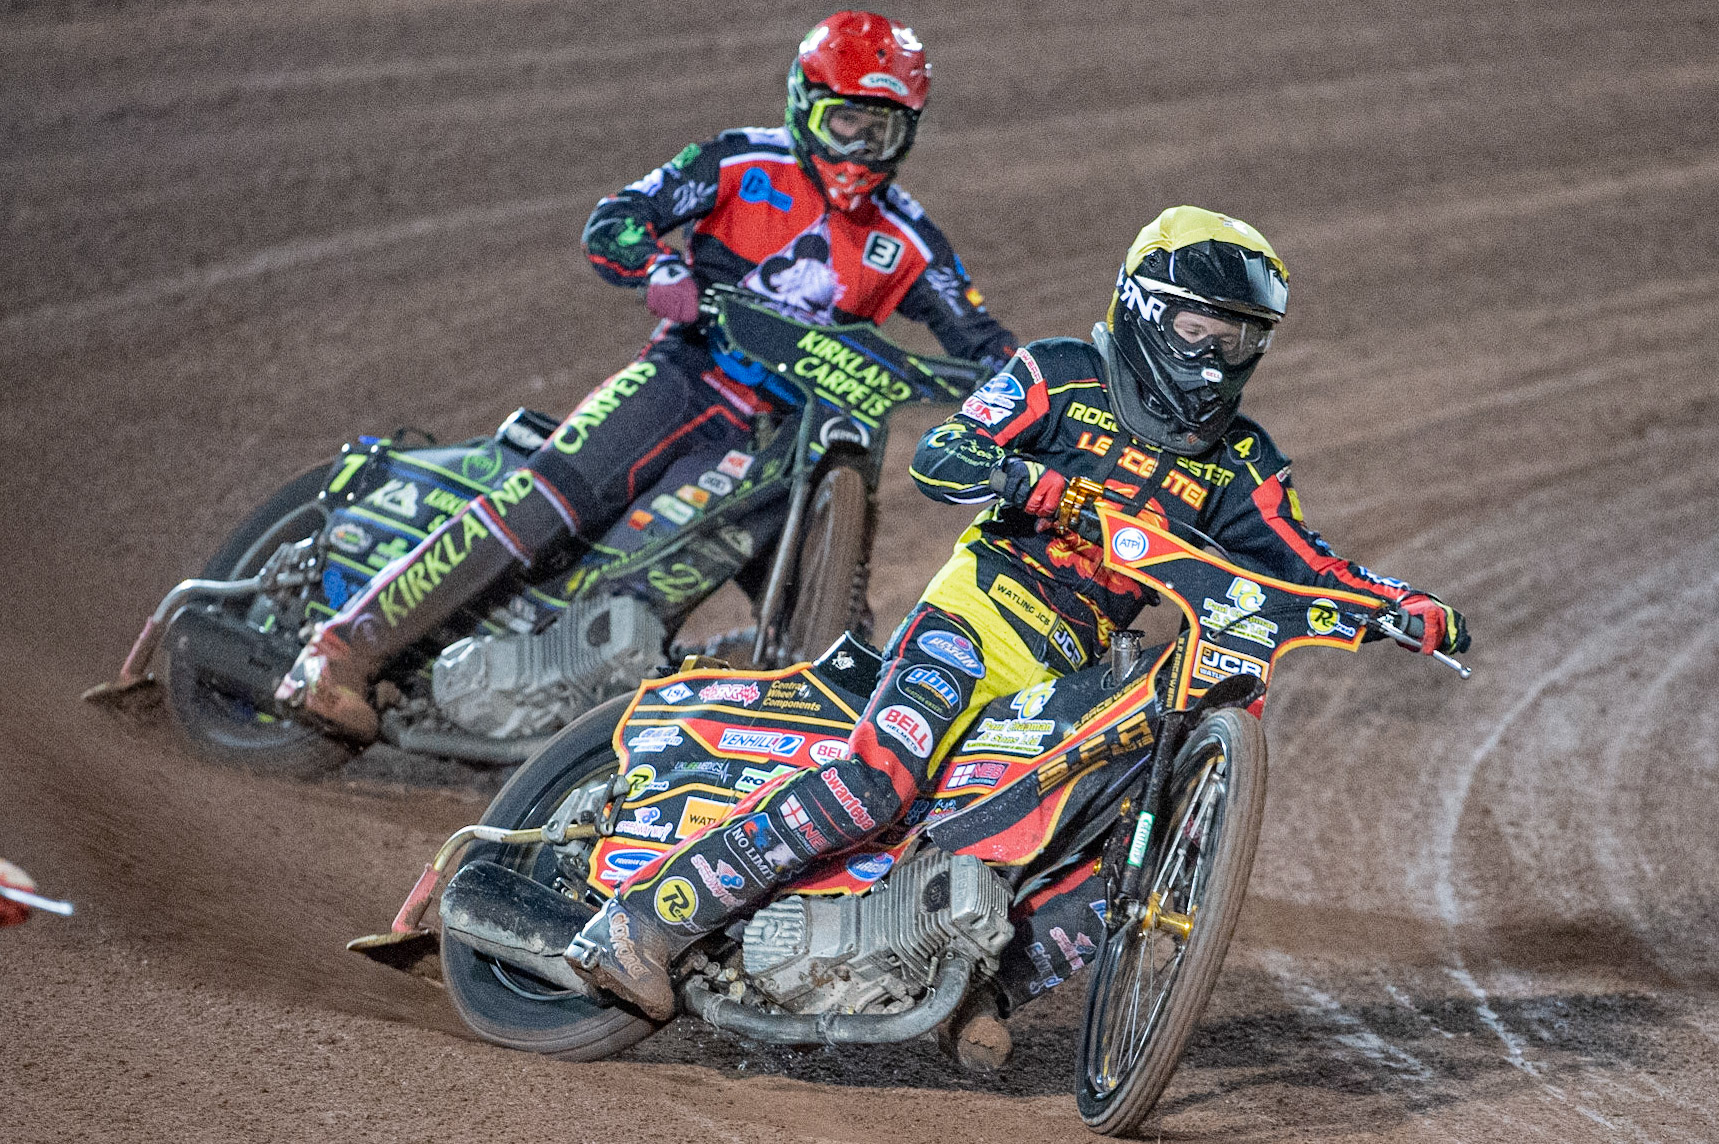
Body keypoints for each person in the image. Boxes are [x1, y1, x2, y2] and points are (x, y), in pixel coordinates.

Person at [564, 206, 1471, 1048]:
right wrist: (1020, 480)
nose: (1216, 356)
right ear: (1148, 310)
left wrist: (1400, 604)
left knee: (1116, 843)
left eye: (1238, 339)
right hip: (976, 616)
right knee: (879, 780)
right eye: (1201, 329)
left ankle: (974, 993)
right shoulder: (1057, 373)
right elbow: (944, 451)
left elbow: (1306, 559)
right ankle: (648, 919)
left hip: (1072, 673)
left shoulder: (1243, 461)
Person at [275, 11, 1017, 740]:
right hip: (685, 375)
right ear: (804, 103)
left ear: (907, 134)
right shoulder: (741, 163)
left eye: (879, 131)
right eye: (843, 122)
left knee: (833, 625)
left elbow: (985, 343)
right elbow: (618, 217)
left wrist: (1028, 403)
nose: (858, 148)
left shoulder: (909, 239)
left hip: (792, 439)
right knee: (543, 504)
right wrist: (659, 268)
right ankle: (340, 650)